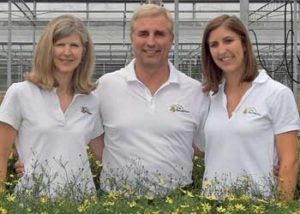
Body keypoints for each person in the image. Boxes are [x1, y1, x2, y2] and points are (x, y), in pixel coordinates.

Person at [95, 4, 209, 196]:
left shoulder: (195, 91)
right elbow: (82, 129)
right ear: (132, 38)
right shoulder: (106, 86)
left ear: (171, 39)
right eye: (143, 33)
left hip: (177, 202)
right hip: (118, 203)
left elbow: (209, 145)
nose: (151, 41)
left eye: (159, 34)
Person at [0, 14, 103, 199]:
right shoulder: (20, 93)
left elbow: (105, 153)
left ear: (84, 52)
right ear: (48, 49)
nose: (67, 52)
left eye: (74, 45)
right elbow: (1, 153)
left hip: (82, 203)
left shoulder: (91, 100)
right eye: (60, 44)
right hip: (33, 202)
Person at [200, 14, 299, 200]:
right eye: (214, 45)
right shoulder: (209, 96)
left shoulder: (276, 94)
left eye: (228, 40)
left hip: (257, 204)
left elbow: (290, 161)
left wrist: (281, 208)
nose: (222, 50)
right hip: (211, 203)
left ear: (244, 44)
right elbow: (205, 146)